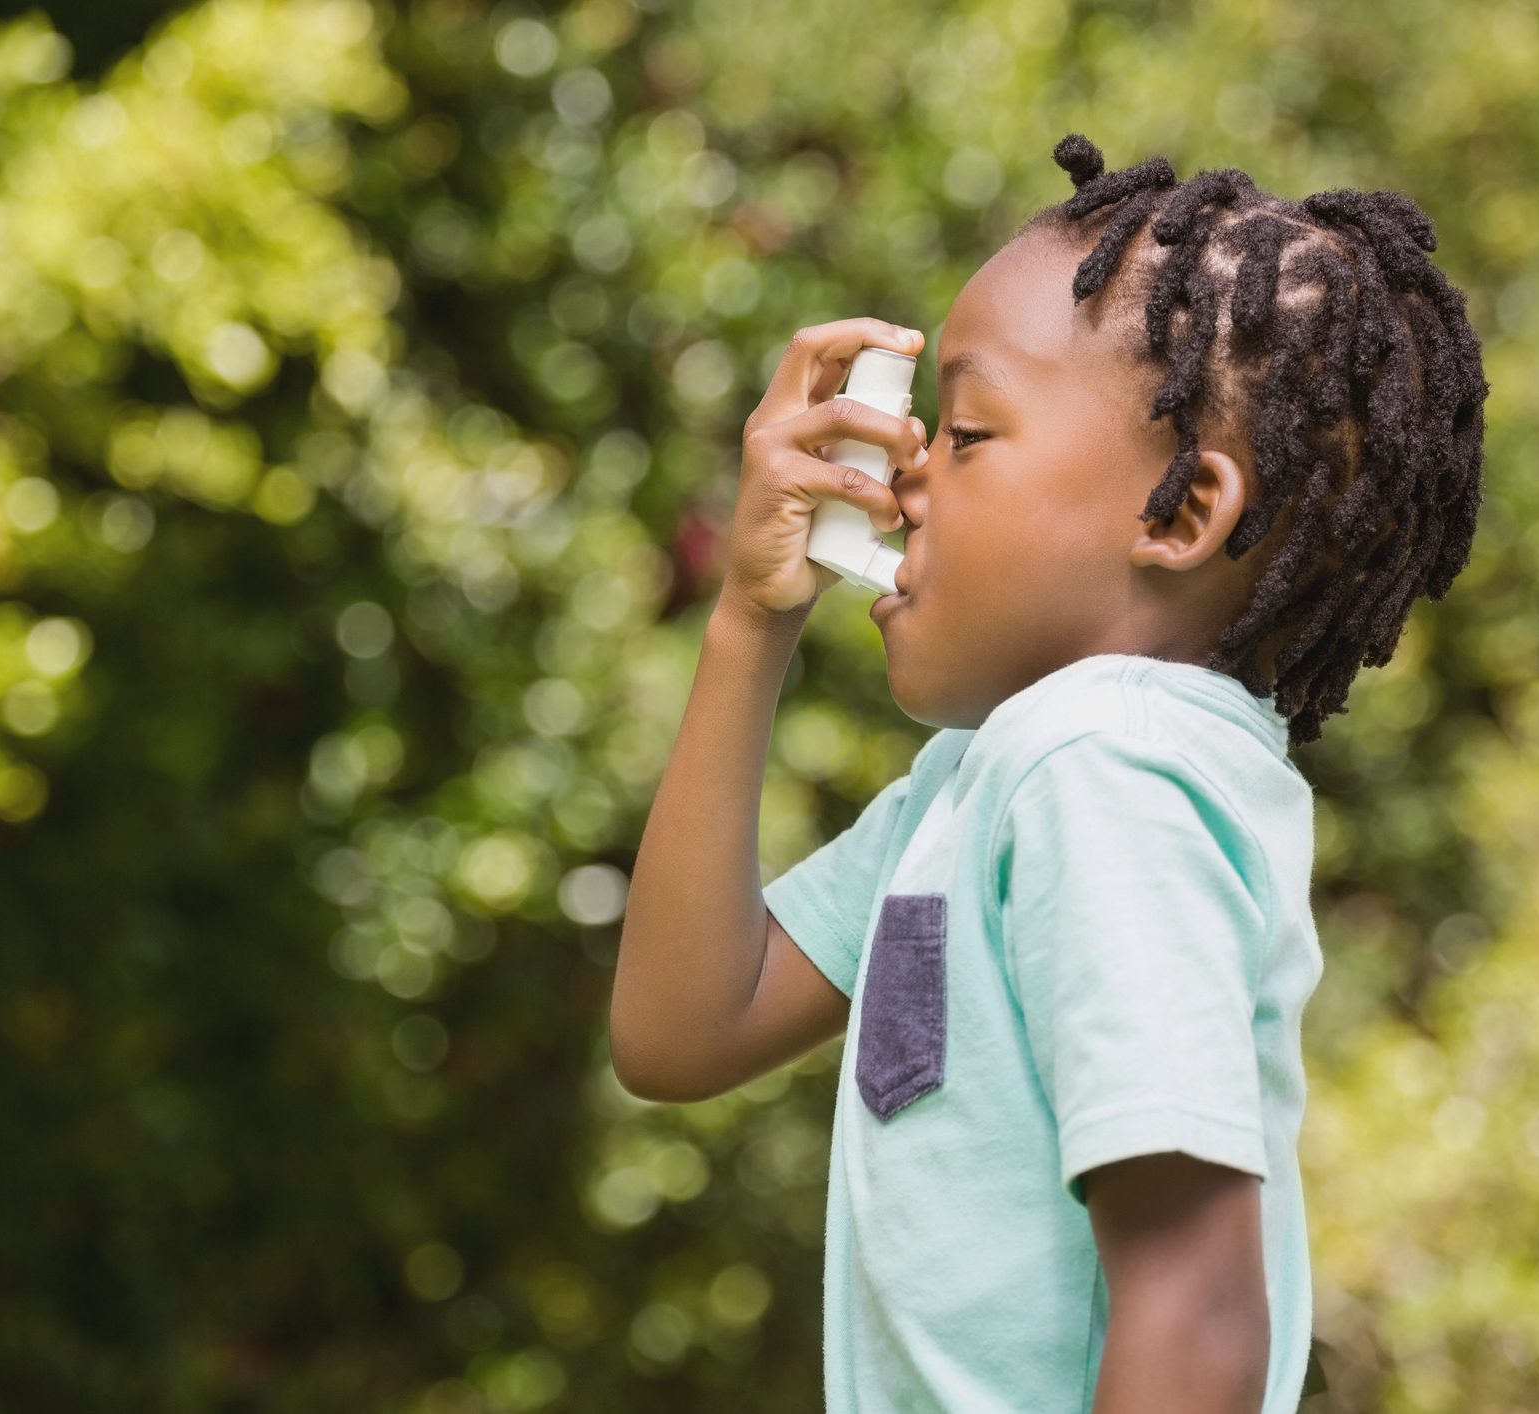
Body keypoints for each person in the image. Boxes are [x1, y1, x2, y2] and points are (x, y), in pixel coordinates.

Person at [609, 133, 1489, 1413]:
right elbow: (681, 1029)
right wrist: (753, 619)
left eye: (966, 433)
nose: (908, 476)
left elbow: (1196, 1307)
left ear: (1181, 514)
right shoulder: (987, 781)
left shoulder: (1104, 772)